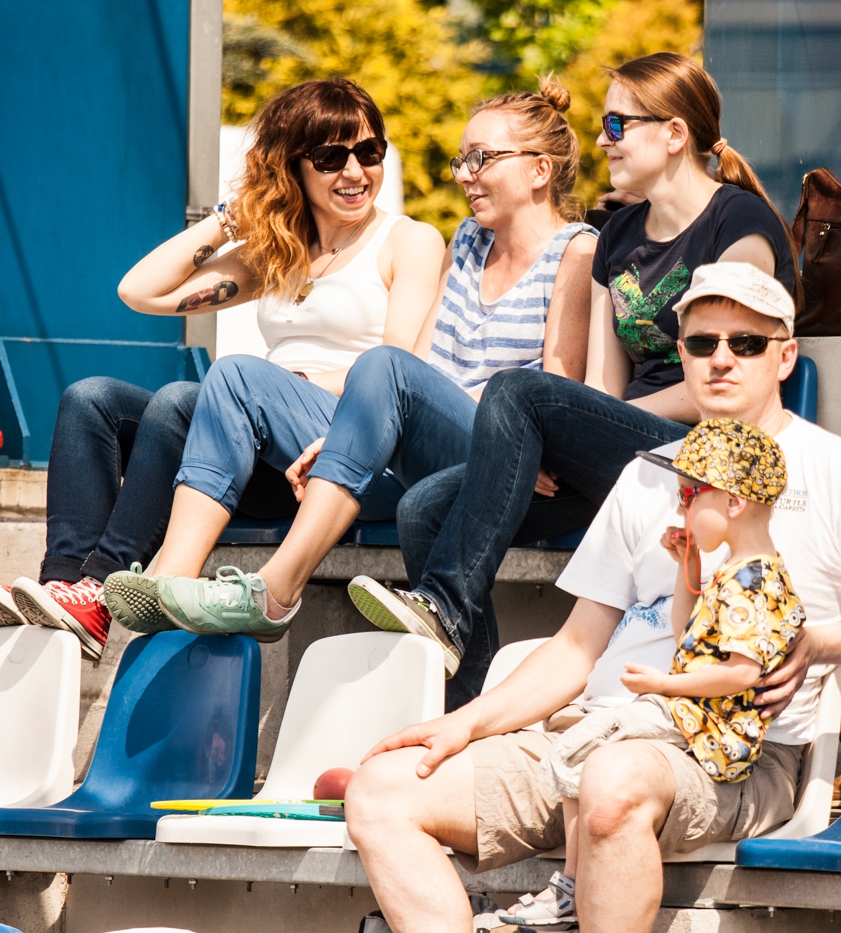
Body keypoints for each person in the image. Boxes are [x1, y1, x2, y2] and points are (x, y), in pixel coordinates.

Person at [341, 261, 841, 933]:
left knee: (611, 783)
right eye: (703, 343)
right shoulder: (646, 476)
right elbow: (576, 647)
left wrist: (819, 642)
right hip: (594, 729)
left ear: (785, 356)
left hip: (730, 755)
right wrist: (466, 722)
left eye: (747, 342)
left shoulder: (840, 469)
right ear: (681, 356)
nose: (722, 359)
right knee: (381, 789)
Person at [346, 52, 799, 705]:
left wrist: (572, 422)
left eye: (618, 124)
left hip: (703, 448)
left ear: (674, 134)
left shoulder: (740, 224)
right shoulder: (618, 236)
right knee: (424, 508)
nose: (601, 139)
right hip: (622, 453)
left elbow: (739, 376)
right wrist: (564, 433)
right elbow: (597, 387)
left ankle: (443, 604)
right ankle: (468, 710)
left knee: (517, 389)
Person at [103, 79, 597, 650]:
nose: (463, 173)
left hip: (506, 454)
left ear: (540, 171)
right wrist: (348, 436)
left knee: (325, 368)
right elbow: (424, 364)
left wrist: (509, 440)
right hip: (429, 448)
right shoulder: (468, 242)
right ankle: (158, 582)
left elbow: (557, 393)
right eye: (464, 159)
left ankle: (273, 588)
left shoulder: (577, 252)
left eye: (480, 159)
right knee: (192, 382)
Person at [0, 77, 443, 660]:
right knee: (91, 399)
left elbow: (395, 371)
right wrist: (226, 220)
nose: (354, 172)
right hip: (251, 439)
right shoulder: (279, 252)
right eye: (329, 157)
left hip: (337, 455)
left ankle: (103, 589)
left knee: (184, 398)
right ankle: (67, 582)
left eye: (369, 153)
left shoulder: (407, 241)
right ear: (292, 167)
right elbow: (140, 291)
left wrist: (288, 389)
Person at [501, 418, 804, 930]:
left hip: (715, 734)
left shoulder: (757, 579)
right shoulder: (734, 569)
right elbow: (688, 633)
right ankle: (573, 885)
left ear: (734, 503)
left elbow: (739, 674)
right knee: (584, 745)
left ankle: (571, 888)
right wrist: (686, 566)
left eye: (690, 495)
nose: (680, 506)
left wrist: (664, 686)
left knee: (588, 741)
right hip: (693, 719)